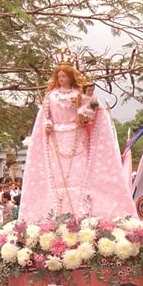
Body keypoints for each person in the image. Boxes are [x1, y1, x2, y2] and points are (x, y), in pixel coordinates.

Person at [19, 61, 135, 221]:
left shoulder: (80, 93)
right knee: (57, 178)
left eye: (64, 76)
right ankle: (56, 214)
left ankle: (82, 213)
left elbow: (94, 109)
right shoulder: (51, 96)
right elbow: (45, 116)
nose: (61, 79)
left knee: (78, 177)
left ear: (71, 76)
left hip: (77, 136)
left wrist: (84, 111)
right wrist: (47, 124)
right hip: (56, 139)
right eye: (59, 76)